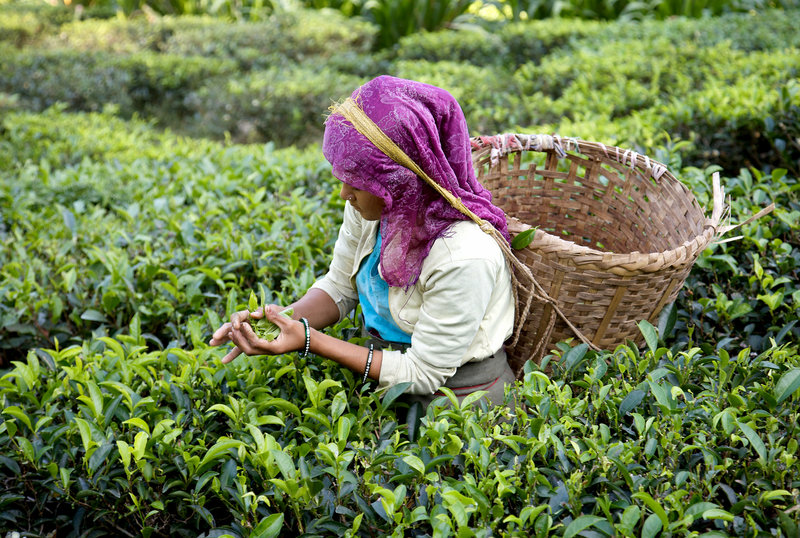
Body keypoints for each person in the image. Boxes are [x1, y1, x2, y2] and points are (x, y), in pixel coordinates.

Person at [209, 75, 515, 409]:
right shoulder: (374, 208)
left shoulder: (465, 255)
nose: (344, 194)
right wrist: (276, 322)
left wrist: (308, 341)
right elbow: (340, 288)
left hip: (457, 402)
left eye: (355, 182)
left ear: (399, 179)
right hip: (381, 378)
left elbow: (423, 372)